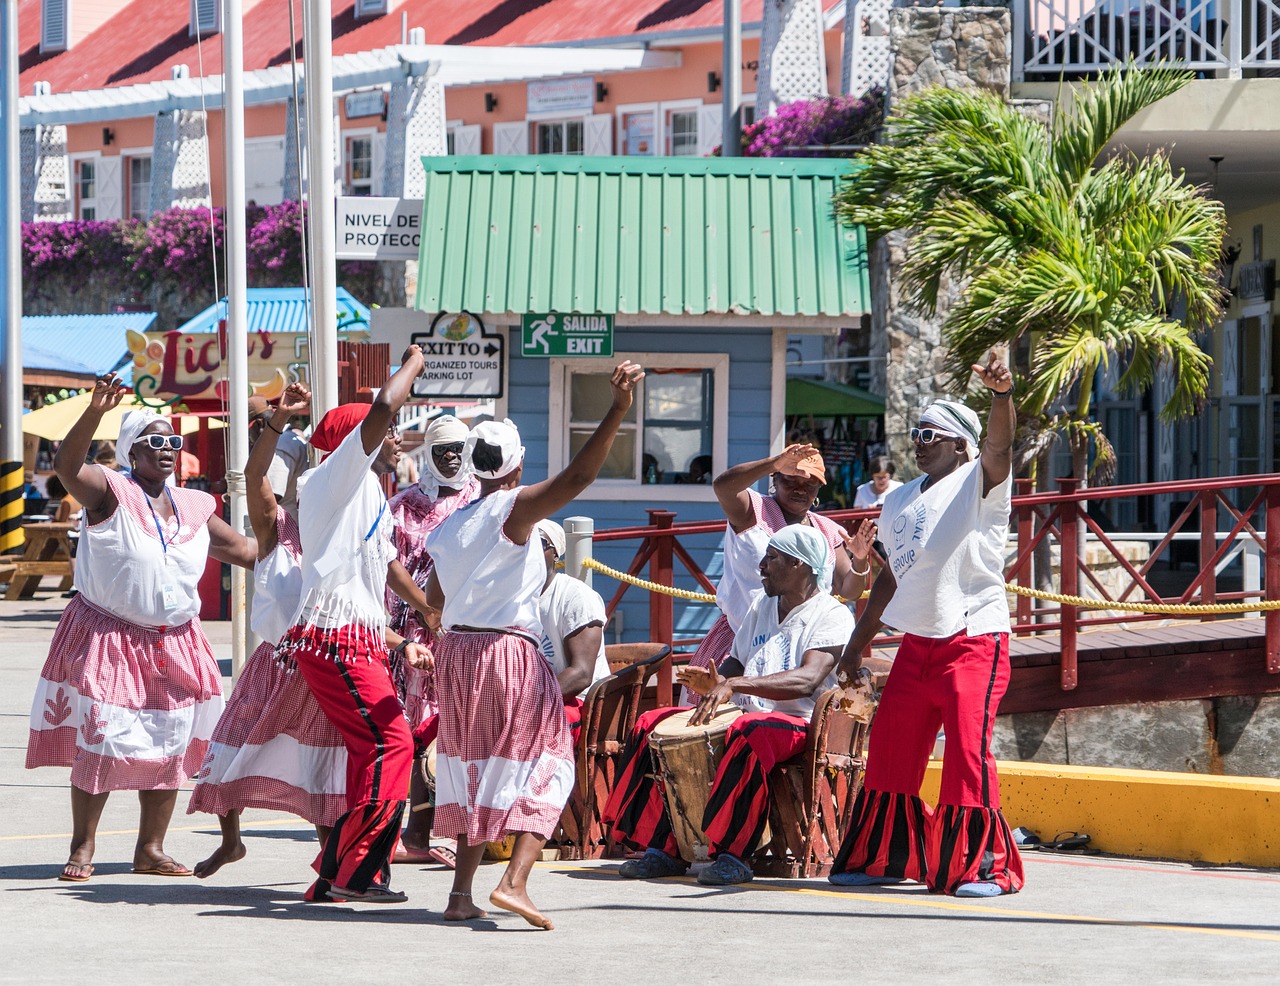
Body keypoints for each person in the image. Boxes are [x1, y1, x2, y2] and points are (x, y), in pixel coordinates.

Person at [424, 361, 644, 931]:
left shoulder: (449, 526)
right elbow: (578, 478)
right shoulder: (513, 508)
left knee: (475, 769)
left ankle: (460, 893)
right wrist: (618, 408)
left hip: (457, 655)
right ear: (518, 467)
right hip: (505, 653)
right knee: (550, 762)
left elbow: (435, 599)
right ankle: (514, 883)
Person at [26, 373, 256, 882]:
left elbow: (243, 550)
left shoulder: (193, 505)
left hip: (178, 640)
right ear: (132, 451)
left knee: (171, 742)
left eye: (173, 442)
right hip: (111, 636)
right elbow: (67, 466)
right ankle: (82, 846)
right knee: (103, 738)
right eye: (155, 442)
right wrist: (95, 412)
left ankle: (150, 849)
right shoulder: (109, 491)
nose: (168, 449)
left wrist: (301, 538)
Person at [829, 352, 1021, 899]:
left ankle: (984, 869)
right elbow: (890, 577)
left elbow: (1000, 446)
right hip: (919, 642)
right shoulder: (899, 499)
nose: (919, 442)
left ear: (961, 445)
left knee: (966, 755)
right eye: (916, 433)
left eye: (931, 435)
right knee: (891, 750)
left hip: (975, 637)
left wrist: (1001, 395)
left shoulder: (980, 482)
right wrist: (855, 647)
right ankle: (885, 859)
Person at [603, 526, 854, 885]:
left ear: (798, 564)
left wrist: (734, 684)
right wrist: (718, 681)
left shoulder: (831, 614)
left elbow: (809, 679)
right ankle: (663, 847)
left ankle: (733, 854)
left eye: (772, 558)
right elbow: (736, 661)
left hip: (799, 722)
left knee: (748, 732)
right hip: (746, 715)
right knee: (652, 723)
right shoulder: (761, 605)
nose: (762, 566)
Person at [274, 347, 429, 904]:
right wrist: (413, 363)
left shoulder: (366, 494)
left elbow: (380, 573)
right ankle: (356, 873)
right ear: (354, 442)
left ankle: (338, 875)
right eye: (385, 434)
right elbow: (385, 405)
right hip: (336, 639)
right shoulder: (335, 477)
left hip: (353, 637)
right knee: (392, 745)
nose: (395, 440)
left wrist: (423, 619)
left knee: (375, 751)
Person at [680, 445, 874, 703]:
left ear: (819, 489)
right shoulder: (754, 510)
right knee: (711, 712)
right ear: (776, 480)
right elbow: (723, 487)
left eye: (810, 484)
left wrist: (859, 560)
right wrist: (774, 462)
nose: (800, 489)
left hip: (800, 646)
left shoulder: (827, 530)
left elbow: (849, 590)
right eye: (791, 480)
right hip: (741, 641)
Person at [384, 413, 479, 867]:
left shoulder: (481, 499)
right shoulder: (402, 506)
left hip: (463, 629)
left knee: (454, 726)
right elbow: (386, 568)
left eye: (459, 450)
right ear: (429, 454)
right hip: (412, 633)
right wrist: (412, 620)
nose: (451, 458)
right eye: (442, 451)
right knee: (413, 728)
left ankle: (454, 826)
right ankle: (412, 831)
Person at [534, 518, 611, 737]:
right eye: (523, 543)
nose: (529, 551)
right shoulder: (512, 598)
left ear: (555, 554)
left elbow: (581, 674)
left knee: (523, 728)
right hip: (531, 698)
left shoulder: (575, 596)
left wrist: (527, 703)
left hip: (578, 703)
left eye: (538, 543)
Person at [248, 394, 309, 517]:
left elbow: (270, 498)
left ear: (259, 423)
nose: (249, 438)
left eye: (248, 431)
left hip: (285, 524)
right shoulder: (287, 439)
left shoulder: (280, 445)